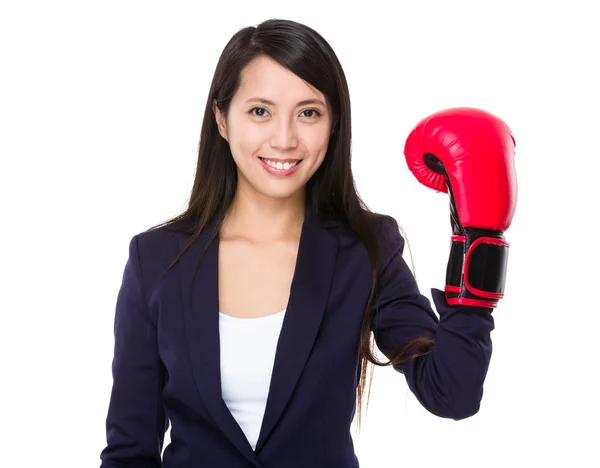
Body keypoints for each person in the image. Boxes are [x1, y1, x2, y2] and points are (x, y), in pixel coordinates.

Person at [99, 18, 516, 468]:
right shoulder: (156, 258)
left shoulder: (366, 248)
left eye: (309, 112)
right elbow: (130, 451)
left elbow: (451, 392)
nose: (284, 139)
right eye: (260, 111)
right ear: (221, 118)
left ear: (334, 123)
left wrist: (480, 242)